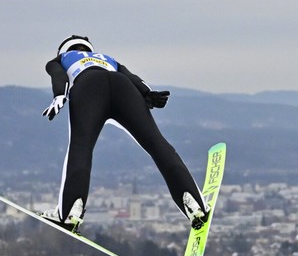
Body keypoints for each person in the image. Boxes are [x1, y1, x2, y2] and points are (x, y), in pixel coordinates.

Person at [40, 34, 208, 232]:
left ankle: (70, 211)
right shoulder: (106, 58)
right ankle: (194, 203)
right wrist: (149, 94)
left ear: (63, 50)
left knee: (81, 147)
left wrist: (59, 95)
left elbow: (59, 76)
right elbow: (134, 78)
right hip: (123, 87)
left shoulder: (61, 59)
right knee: (157, 144)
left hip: (88, 87)